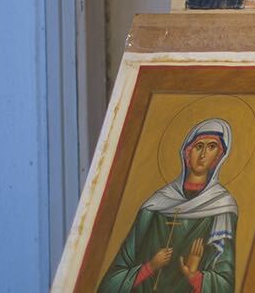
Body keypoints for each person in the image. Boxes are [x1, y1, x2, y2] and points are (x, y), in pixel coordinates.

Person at [99, 119, 237, 292]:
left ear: (219, 156)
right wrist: (149, 267)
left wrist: (194, 276)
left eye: (211, 147)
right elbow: (114, 279)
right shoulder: (155, 205)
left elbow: (224, 283)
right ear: (187, 152)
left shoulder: (221, 207)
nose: (203, 155)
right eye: (198, 146)